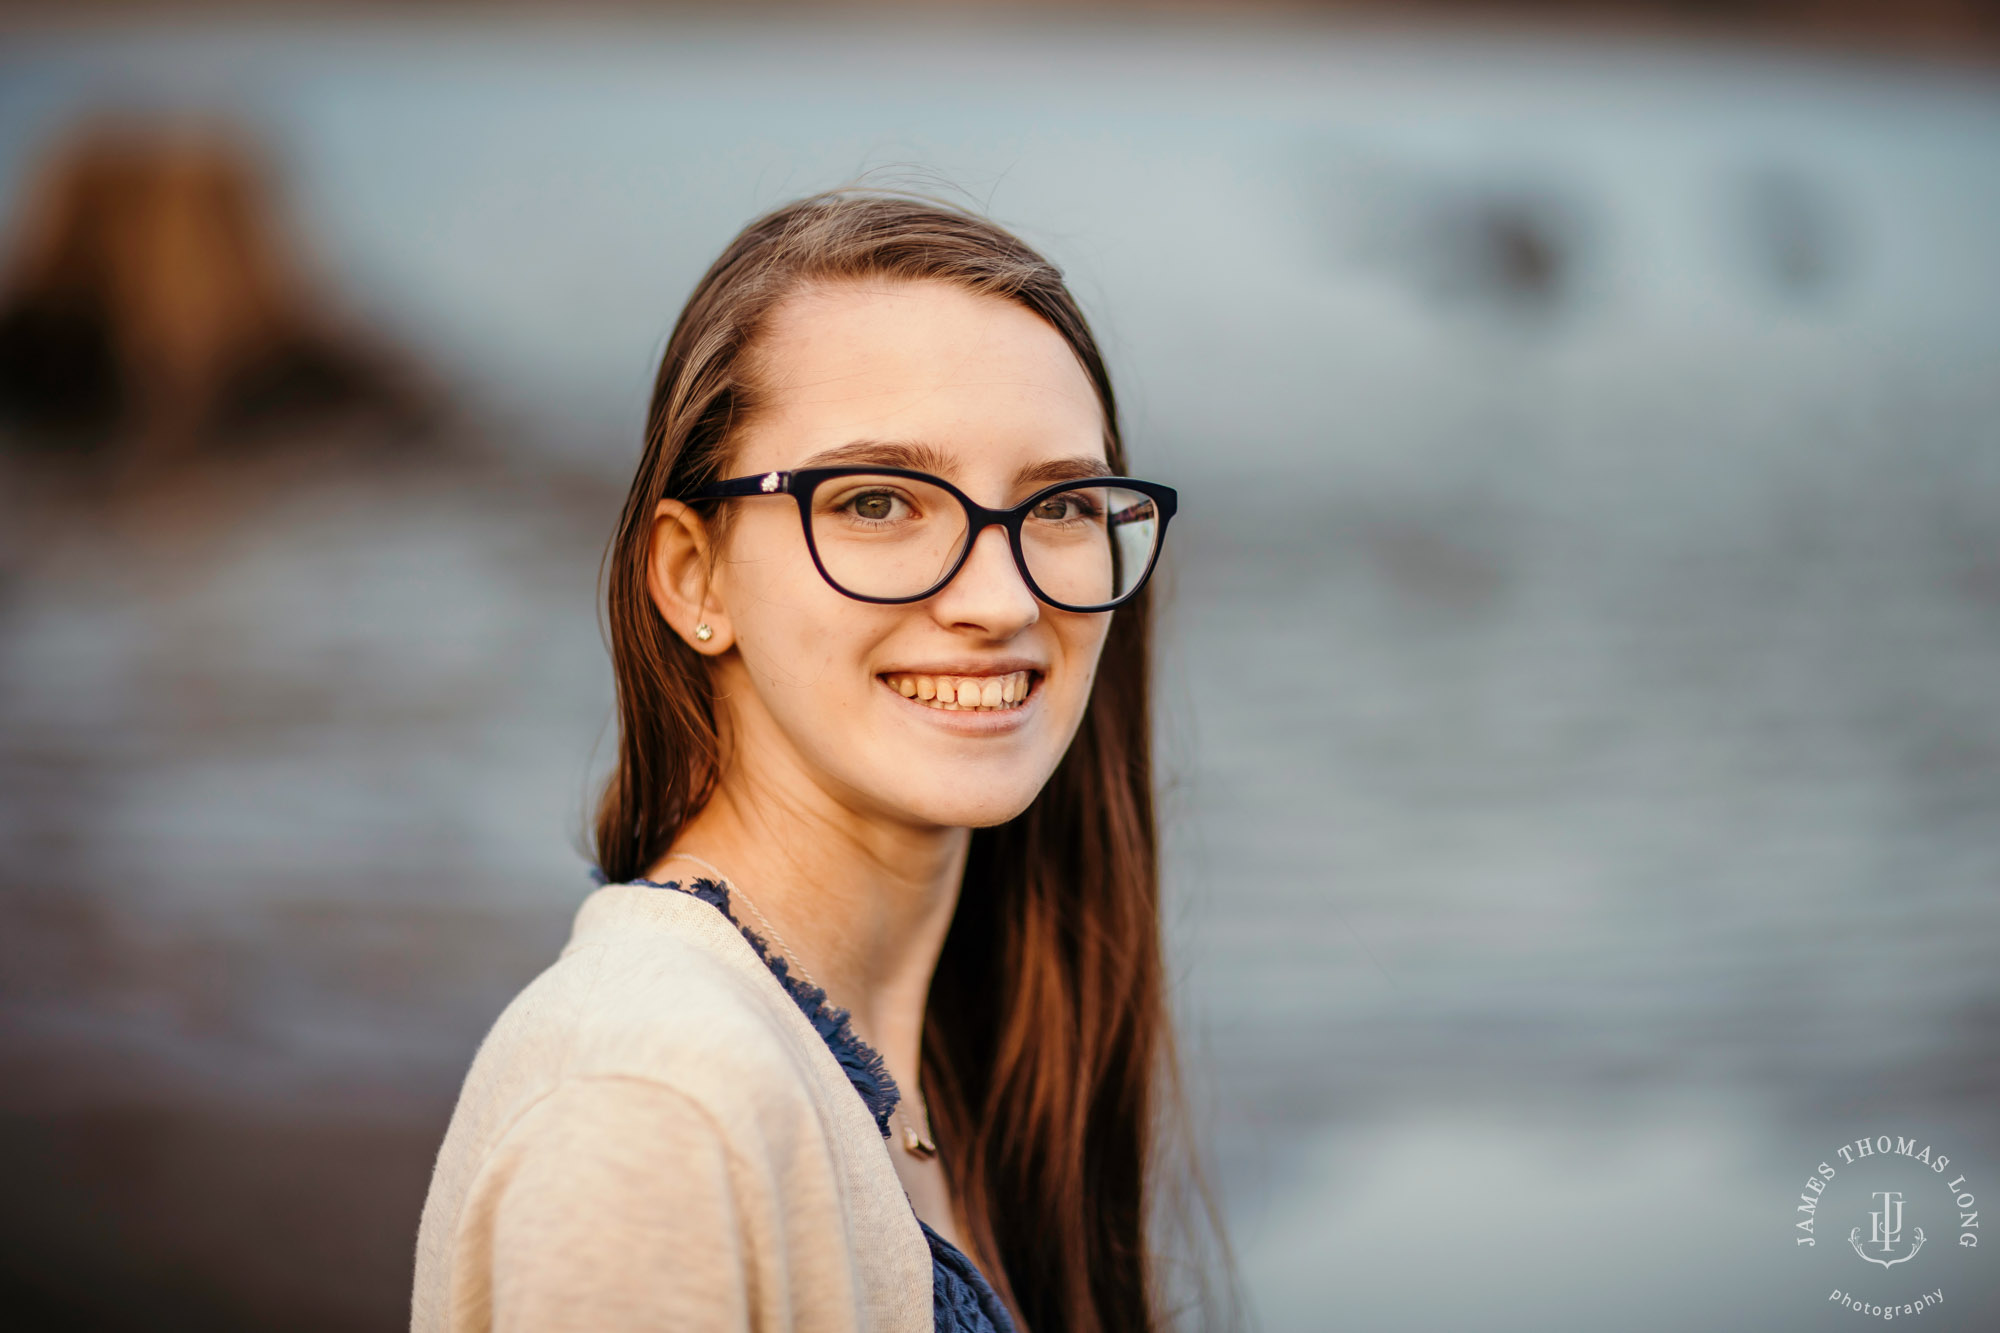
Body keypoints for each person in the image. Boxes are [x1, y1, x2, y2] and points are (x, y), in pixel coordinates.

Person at [412, 191, 1217, 1333]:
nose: (999, 600)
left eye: (1060, 503)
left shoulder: (962, 1067)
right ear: (694, 576)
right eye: (877, 500)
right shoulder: (647, 1101)